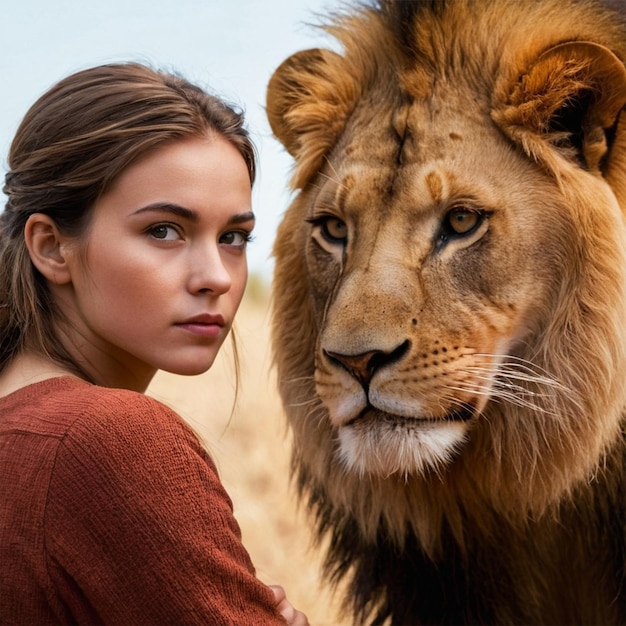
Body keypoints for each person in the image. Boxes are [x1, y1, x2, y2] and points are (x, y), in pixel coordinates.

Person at [0, 62, 308, 626]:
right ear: (50, 246)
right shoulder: (108, 440)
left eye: (234, 237)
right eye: (164, 230)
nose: (215, 275)